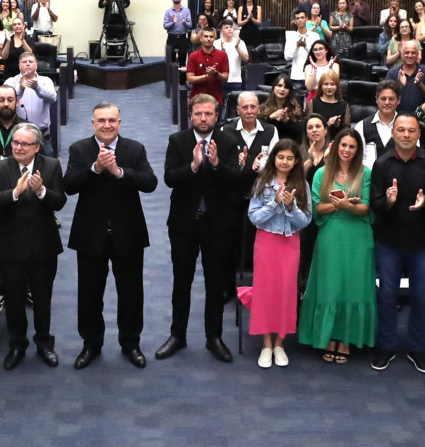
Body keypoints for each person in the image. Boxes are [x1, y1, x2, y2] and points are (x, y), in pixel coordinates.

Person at [65, 102, 157, 369]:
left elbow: (150, 183)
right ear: (93, 123)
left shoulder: (134, 149)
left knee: (131, 293)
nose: (107, 125)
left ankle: (131, 343)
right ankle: (91, 344)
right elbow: (69, 186)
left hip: (128, 234)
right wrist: (94, 169)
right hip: (90, 234)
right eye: (101, 120)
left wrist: (119, 173)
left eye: (112, 120)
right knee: (89, 294)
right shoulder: (79, 149)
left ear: (120, 123)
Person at [159, 94, 242, 364]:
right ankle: (177, 335)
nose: (203, 119)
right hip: (184, 224)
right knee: (181, 281)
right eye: (198, 114)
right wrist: (193, 166)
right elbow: (170, 178)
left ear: (216, 115)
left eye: (208, 114)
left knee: (215, 282)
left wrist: (217, 165)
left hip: (218, 224)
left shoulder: (229, 142)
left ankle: (214, 337)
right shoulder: (178, 141)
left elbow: (237, 182)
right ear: (191, 115)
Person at [365, 114, 425, 373]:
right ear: (394, 133)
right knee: (387, 297)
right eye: (401, 130)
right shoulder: (382, 163)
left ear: (418, 134)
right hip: (389, 243)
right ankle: (386, 346)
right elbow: (374, 205)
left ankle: (416, 348)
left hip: (422, 243)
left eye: (412, 130)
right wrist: (388, 202)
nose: (406, 135)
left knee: (421, 298)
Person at [0, 122, 64, 370]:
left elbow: (60, 201)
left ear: (37, 147)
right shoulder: (0, 168)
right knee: (15, 301)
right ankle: (17, 345)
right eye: (15, 143)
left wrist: (41, 192)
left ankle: (44, 344)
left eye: (24, 143)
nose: (18, 147)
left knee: (42, 299)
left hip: (43, 246)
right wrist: (15, 193)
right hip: (10, 248)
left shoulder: (51, 166)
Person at [238, 140, 311, 367]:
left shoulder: (301, 184)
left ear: (296, 160)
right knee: (266, 291)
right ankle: (267, 344)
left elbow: (305, 221)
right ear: (274, 159)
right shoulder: (262, 182)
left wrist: (290, 207)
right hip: (266, 242)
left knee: (286, 292)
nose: (285, 162)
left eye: (290, 158)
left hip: (289, 244)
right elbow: (255, 218)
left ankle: (280, 342)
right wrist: (275, 202)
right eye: (281, 157)